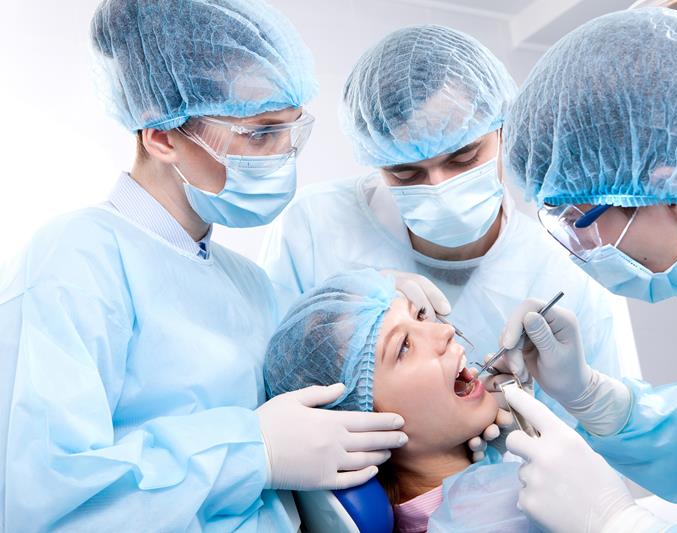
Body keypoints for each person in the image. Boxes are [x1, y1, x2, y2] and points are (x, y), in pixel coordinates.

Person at [0, 1, 447, 530]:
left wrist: (373, 300)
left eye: (290, 131)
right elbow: (48, 501)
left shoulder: (248, 284)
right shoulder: (75, 258)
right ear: (162, 136)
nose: (284, 155)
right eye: (259, 134)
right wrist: (249, 452)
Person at [496, 7, 677, 532]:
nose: (581, 248)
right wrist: (590, 395)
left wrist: (616, 524)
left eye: (580, 219)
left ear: (674, 181)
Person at [261, 24, 624, 428]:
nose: (438, 186)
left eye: (464, 157)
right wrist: (351, 299)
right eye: (405, 172)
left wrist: (534, 428)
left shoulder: (564, 262)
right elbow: (283, 393)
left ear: (505, 129)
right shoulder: (316, 225)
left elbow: (602, 434)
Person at [265, 269, 538, 533]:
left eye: (420, 315)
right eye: (403, 347)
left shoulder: (499, 488)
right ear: (362, 424)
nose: (445, 332)